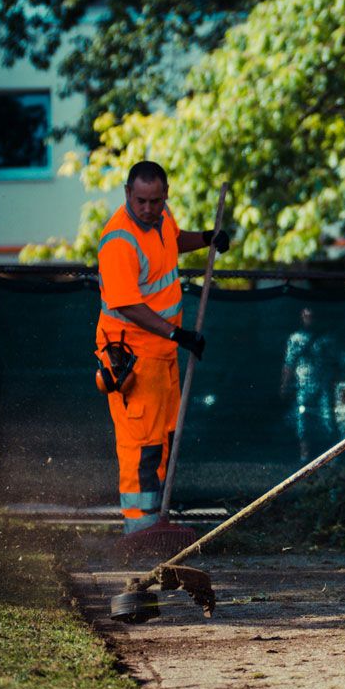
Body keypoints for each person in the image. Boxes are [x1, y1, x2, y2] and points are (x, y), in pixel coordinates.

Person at [95, 160, 229, 535]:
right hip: (133, 356)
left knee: (164, 437)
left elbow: (173, 238)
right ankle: (139, 531)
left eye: (156, 201)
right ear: (127, 194)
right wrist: (177, 335)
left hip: (161, 352)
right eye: (141, 201)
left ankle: (156, 522)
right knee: (142, 445)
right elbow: (128, 304)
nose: (149, 209)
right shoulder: (119, 241)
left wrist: (206, 238)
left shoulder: (161, 219)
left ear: (165, 195)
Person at [280, 307, 339, 462]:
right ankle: (304, 455)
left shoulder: (327, 339)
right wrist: (285, 385)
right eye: (306, 316)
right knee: (303, 419)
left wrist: (333, 382)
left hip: (323, 384)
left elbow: (334, 363)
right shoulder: (296, 339)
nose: (309, 319)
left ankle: (334, 454)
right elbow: (289, 364)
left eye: (312, 316)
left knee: (328, 419)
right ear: (302, 317)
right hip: (303, 385)